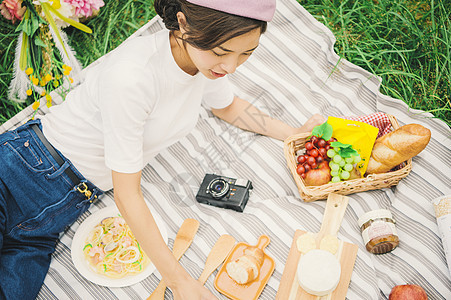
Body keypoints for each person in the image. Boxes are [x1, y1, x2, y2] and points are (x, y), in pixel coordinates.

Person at [0, 0, 325, 299]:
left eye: (246, 53)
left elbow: (228, 108)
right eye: (223, 51)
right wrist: (180, 281)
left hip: (53, 219)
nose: (232, 66)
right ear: (183, 24)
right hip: (21, 170)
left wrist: (293, 133)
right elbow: (128, 195)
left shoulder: (204, 61)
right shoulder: (133, 78)